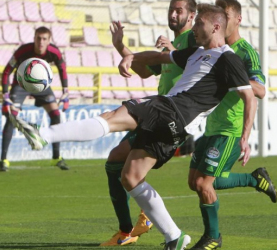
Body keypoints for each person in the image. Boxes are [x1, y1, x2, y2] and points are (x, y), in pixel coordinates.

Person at [11, 4, 257, 249]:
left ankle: (43, 135)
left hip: (171, 110)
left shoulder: (228, 58)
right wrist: (130, 55)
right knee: (130, 177)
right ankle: (175, 237)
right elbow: (160, 57)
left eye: (198, 24)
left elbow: (249, 97)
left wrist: (244, 138)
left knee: (111, 117)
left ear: (215, 26)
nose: (194, 28)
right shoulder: (196, 52)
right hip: (177, 127)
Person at [101, 0, 197, 246]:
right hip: (157, 113)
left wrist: (172, 50)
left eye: (179, 10)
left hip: (172, 118)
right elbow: (142, 68)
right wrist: (120, 46)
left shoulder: (195, 40)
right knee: (117, 165)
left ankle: (133, 230)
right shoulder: (170, 48)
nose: (173, 14)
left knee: (120, 166)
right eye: (171, 10)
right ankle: (139, 223)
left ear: (192, 15)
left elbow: (196, 61)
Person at [187, 1, 277, 249]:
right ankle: (254, 179)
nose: (222, 20)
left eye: (226, 15)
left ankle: (213, 238)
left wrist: (238, 79)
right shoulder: (214, 48)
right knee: (196, 182)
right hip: (211, 126)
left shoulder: (244, 52)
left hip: (230, 130)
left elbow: (260, 90)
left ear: (237, 19)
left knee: (205, 183)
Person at [0, 26, 69, 172]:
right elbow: (6, 72)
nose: (41, 42)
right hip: (20, 83)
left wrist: (65, 92)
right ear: (34, 38)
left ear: (49, 40)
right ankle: (3, 160)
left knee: (56, 115)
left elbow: (62, 68)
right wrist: (5, 96)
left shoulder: (54, 52)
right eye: (38, 38)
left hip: (41, 86)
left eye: (44, 39)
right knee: (12, 117)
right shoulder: (23, 51)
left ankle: (56, 157)